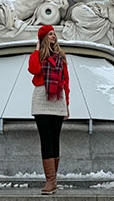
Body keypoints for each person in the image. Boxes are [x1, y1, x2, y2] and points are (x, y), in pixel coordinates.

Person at [28, 24, 69, 195]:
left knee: (55, 139)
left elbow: (66, 81)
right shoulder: (38, 56)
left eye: (54, 34)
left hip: (57, 99)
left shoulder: (61, 56)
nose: (53, 36)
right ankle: (50, 181)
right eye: (50, 34)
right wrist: (37, 50)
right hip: (41, 99)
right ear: (44, 38)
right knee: (45, 139)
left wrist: (67, 105)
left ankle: (53, 180)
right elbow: (33, 69)